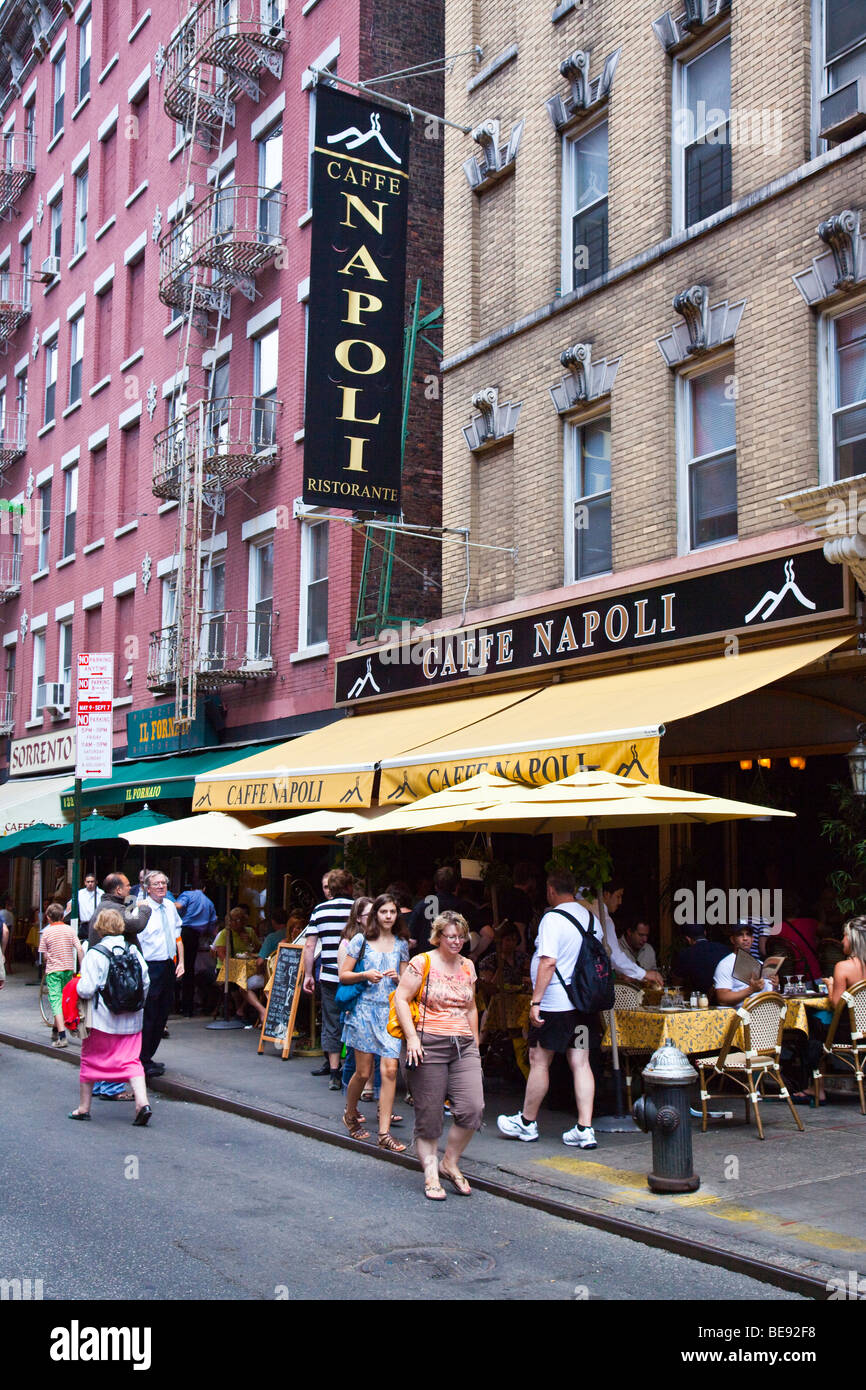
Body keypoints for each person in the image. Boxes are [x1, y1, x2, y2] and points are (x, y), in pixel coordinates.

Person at [498, 869, 603, 1149]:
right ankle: (585, 1127)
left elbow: (548, 962)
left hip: (556, 1004)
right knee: (581, 1062)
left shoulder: (552, 919)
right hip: (583, 1004)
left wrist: (536, 1001)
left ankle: (527, 1122)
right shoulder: (592, 917)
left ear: (551, 890)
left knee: (539, 1059)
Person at [393, 910, 484, 1200]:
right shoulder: (423, 962)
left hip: (463, 1045)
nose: (457, 941)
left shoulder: (468, 966)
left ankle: (450, 1162)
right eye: (451, 936)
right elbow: (401, 998)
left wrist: (476, 1046)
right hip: (428, 1042)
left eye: (461, 936)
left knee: (473, 1109)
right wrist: (411, 1039)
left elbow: (471, 1007)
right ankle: (431, 1173)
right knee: (430, 1115)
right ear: (439, 937)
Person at [339, 893, 409, 1152]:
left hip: (389, 1013)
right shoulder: (360, 940)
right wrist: (364, 974)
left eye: (393, 912)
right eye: (384, 912)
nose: (389, 916)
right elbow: (343, 975)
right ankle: (351, 1112)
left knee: (390, 1070)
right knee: (364, 1072)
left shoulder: (402, 944)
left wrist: (398, 979)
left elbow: (406, 980)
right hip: (364, 1012)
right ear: (375, 915)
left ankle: (384, 1132)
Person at [70, 908, 152, 1125]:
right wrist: (135, 1004)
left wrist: (75, 987)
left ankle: (83, 1108)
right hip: (131, 1021)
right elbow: (145, 982)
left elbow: (87, 989)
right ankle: (142, 1103)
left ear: (99, 927)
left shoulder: (94, 953)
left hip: (102, 1021)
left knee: (90, 1061)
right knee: (132, 1062)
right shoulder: (133, 950)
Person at [302, 868, 355, 1090]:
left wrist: (307, 974)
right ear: (348, 886)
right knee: (354, 1020)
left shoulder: (319, 910)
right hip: (354, 975)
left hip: (329, 974)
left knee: (331, 1021)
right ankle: (354, 1068)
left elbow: (310, 945)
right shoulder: (356, 909)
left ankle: (334, 1071)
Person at [138, 870, 184, 1078]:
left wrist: (180, 961)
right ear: (148, 888)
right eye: (156, 884)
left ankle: (148, 1055)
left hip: (167, 964)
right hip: (150, 965)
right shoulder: (142, 908)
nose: (160, 887)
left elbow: (177, 934)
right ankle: (142, 1059)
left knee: (163, 1013)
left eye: (163, 883)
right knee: (150, 1013)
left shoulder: (169, 907)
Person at [595, 882, 663, 991]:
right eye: (618, 896)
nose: (620, 902)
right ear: (606, 894)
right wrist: (644, 974)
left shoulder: (587, 911)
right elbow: (615, 956)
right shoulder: (604, 919)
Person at [40, 902, 84, 1048]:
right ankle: (55, 1029)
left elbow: (45, 957)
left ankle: (62, 1036)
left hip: (53, 971)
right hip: (68, 969)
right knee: (66, 1000)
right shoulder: (70, 930)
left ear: (48, 917)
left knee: (56, 1001)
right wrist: (81, 969)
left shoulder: (46, 932)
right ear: (62, 915)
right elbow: (79, 949)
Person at [406, 865, 474, 954]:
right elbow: (488, 934)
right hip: (456, 961)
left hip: (428, 962)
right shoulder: (466, 907)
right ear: (457, 886)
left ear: (436, 886)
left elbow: (412, 941)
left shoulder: (422, 905)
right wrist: (475, 955)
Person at [213, 908, 264, 1023]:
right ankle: (239, 1010)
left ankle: (241, 1010)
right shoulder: (225, 933)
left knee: (250, 981)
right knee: (239, 983)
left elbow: (259, 950)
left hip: (248, 965)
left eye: (239, 920)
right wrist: (233, 964)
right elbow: (221, 953)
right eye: (233, 920)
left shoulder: (249, 931)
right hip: (227, 966)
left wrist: (249, 942)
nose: (236, 923)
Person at [176, 881, 218, 1017]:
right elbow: (212, 925)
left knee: (175, 965)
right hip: (195, 936)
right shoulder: (209, 902)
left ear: (192, 887)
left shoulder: (188, 894)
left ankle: (176, 1004)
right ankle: (187, 1008)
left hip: (182, 932)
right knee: (189, 970)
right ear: (204, 888)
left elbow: (179, 905)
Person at [713, 923, 778, 1007]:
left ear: (753, 939)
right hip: (740, 1015)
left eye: (748, 935)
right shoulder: (726, 964)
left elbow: (770, 995)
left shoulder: (761, 964)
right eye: (740, 935)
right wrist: (750, 990)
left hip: (766, 1013)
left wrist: (775, 986)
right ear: (732, 939)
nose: (745, 938)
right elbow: (722, 999)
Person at [671, 925, 728, 997]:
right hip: (726, 996)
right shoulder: (723, 948)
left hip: (700, 999)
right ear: (705, 933)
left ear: (688, 939)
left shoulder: (686, 954)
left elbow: (677, 983)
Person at [96, 872, 152, 946]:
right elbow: (136, 925)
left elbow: (125, 915)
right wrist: (144, 907)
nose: (130, 888)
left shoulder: (108, 904)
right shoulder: (113, 908)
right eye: (128, 885)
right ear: (119, 890)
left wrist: (134, 907)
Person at [66, 874, 101, 942]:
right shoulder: (80, 893)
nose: (90, 883)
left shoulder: (101, 893)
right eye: (88, 882)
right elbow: (70, 902)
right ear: (85, 883)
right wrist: (70, 904)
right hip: (84, 926)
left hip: (97, 925)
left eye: (92, 881)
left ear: (96, 882)